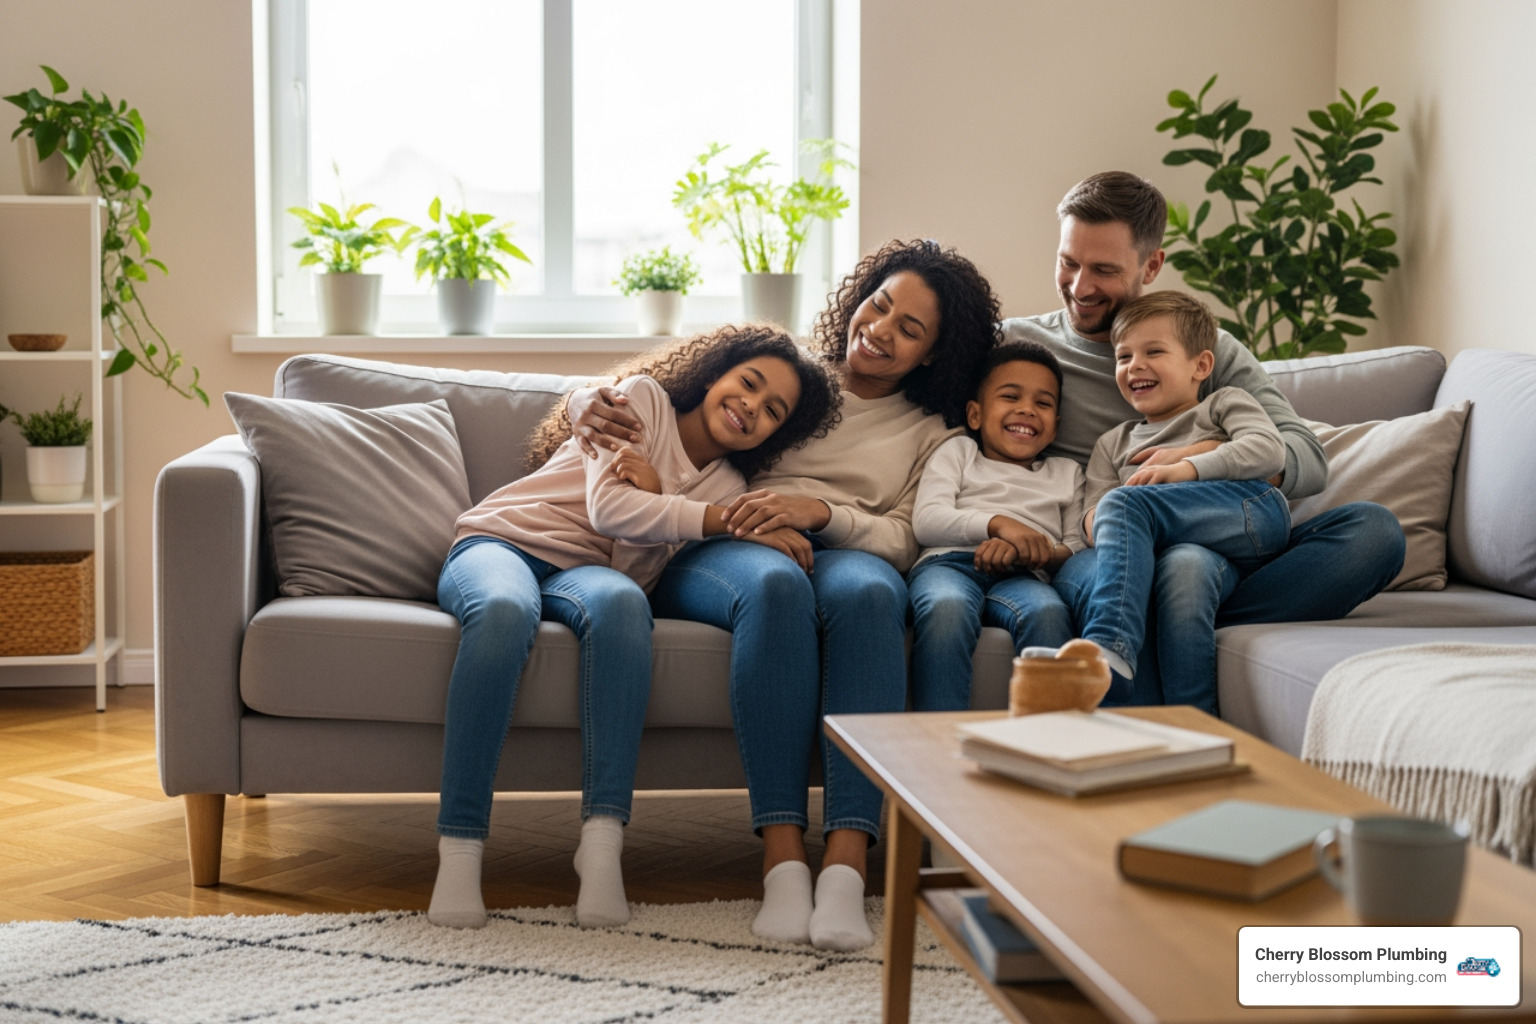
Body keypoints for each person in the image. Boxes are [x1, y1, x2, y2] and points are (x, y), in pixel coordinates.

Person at [559, 238, 1000, 950]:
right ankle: (784, 860)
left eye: (909, 329)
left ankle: (848, 868)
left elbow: (906, 537)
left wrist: (820, 513)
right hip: (722, 546)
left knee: (872, 595)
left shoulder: (931, 432)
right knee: (774, 587)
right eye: (879, 305)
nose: (880, 329)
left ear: (933, 356)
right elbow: (663, 396)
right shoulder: (790, 379)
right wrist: (583, 399)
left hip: (843, 552)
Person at [428, 324, 838, 931]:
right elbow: (610, 509)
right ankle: (460, 852)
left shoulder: (726, 485)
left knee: (625, 608)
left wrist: (663, 494)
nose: (751, 405)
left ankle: (600, 848)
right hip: (504, 542)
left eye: (773, 409)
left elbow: (636, 567)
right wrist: (717, 520)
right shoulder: (644, 402)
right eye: (747, 383)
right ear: (715, 373)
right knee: (505, 613)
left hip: (588, 571)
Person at [1000, 170, 1406, 705]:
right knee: (1158, 571)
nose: (1081, 287)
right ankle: (1168, 630)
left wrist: (1195, 457)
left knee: (1374, 531)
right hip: (1106, 553)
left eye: (1103, 269)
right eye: (1068, 263)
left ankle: (1174, 615)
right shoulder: (1018, 345)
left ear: (1151, 265)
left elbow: (1306, 457)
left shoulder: (1203, 347)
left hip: (1215, 534)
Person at [1075, 291, 1290, 712]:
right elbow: (1089, 516)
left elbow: (1270, 450)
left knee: (1123, 504)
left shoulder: (1222, 404)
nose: (1134, 365)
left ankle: (1110, 646)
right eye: (1123, 357)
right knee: (1183, 566)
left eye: (1153, 351)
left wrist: (1187, 468)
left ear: (1201, 365)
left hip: (1247, 516)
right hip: (1192, 560)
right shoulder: (1112, 443)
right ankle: (1196, 726)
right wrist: (1106, 523)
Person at [906, 340, 1084, 712]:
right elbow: (927, 521)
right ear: (975, 414)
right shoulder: (958, 452)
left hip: (1025, 576)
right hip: (948, 565)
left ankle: (1046, 747)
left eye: (1043, 403)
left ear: (1056, 427)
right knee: (947, 610)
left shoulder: (1067, 473)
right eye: (1010, 396)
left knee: (1049, 613)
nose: (1026, 409)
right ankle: (937, 744)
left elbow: (1077, 547)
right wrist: (998, 526)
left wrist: (1038, 552)